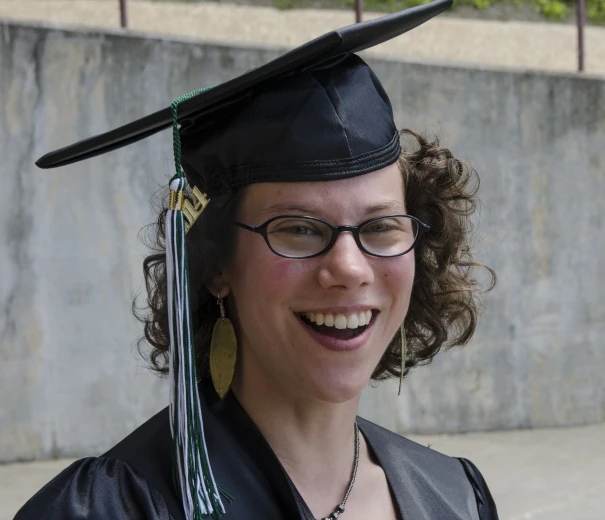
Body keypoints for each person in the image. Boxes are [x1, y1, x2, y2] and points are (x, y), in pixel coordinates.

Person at [15, 1, 497, 518]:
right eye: (297, 229)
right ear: (217, 264)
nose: (350, 269)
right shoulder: (114, 508)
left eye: (380, 228)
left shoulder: (453, 495)